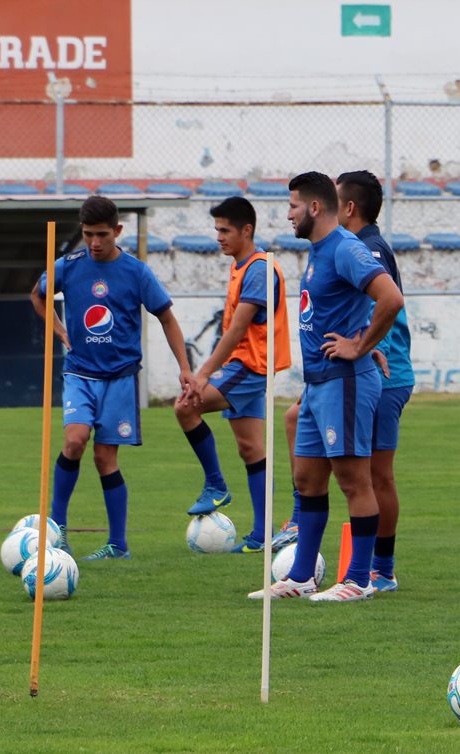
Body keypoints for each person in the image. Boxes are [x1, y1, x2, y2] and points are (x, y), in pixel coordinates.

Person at [247, 171, 403, 603]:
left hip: (346, 383)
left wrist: (360, 344)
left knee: (354, 480)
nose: (289, 213)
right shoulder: (320, 251)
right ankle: (300, 577)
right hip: (318, 385)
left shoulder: (347, 249)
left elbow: (391, 298)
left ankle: (358, 579)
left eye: (294, 205)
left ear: (315, 208)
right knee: (308, 480)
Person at [32, 195, 193, 561]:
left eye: (102, 234)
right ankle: (57, 532)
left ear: (118, 231)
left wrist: (184, 367)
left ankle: (118, 545)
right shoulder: (68, 266)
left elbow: (166, 317)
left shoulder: (136, 272)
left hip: (120, 378)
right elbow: (38, 296)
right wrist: (59, 331)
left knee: (106, 459)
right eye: (88, 234)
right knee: (75, 441)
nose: (94, 243)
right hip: (80, 373)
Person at [174, 197, 290, 553]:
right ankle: (263, 535)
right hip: (247, 365)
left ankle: (215, 485)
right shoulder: (242, 266)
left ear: (246, 230)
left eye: (225, 230)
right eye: (217, 230)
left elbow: (238, 329)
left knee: (186, 407)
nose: (219, 237)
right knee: (251, 448)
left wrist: (203, 375)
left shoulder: (258, 268)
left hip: (250, 366)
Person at [335, 170, 414, 592]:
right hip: (371, 372)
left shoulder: (369, 250)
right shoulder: (354, 246)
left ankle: (381, 569)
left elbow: (384, 306)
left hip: (387, 375)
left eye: (333, 200)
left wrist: (361, 345)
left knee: (376, 476)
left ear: (349, 207)